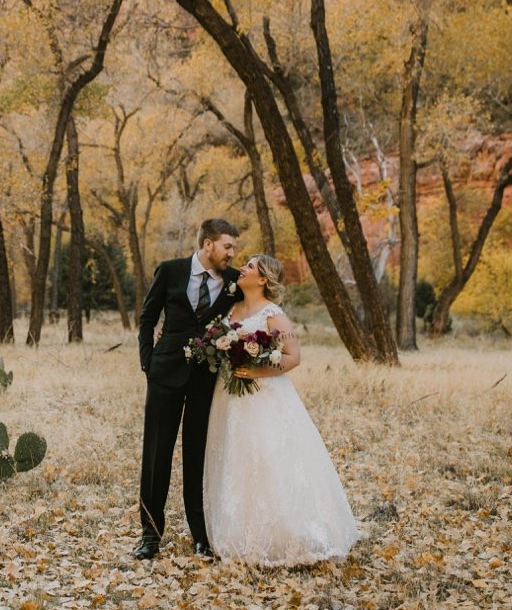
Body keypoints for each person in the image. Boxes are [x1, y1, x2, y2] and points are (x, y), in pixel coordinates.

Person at [202, 253, 361, 565]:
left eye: (249, 266)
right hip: (228, 397)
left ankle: (285, 533)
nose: (242, 269)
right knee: (237, 458)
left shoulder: (273, 314)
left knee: (269, 458)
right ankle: (240, 534)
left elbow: (292, 356)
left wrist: (255, 370)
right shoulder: (231, 308)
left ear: (262, 279)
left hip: (263, 397)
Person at [134, 218, 241, 559]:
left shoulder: (234, 280)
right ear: (208, 244)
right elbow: (147, 318)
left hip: (204, 378)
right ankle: (150, 535)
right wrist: (148, 363)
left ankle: (201, 536)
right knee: (156, 455)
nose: (232, 253)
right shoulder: (170, 271)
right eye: (227, 246)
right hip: (164, 375)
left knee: (197, 456)